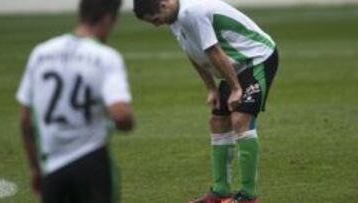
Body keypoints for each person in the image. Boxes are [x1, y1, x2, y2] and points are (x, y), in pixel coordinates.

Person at [133, 0, 279, 202]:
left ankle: (248, 196)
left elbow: (213, 51)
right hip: (235, 66)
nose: (156, 25)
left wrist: (236, 89)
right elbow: (193, 53)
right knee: (218, 122)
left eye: (156, 19)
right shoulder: (174, 19)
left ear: (165, 4)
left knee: (240, 120)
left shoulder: (191, 12)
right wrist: (211, 87)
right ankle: (221, 192)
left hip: (256, 58)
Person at [16, 0, 134, 202]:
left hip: (52, 168)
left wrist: (35, 168)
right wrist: (123, 122)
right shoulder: (106, 57)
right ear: (108, 18)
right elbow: (121, 115)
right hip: (92, 163)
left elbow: (25, 121)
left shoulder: (40, 53)